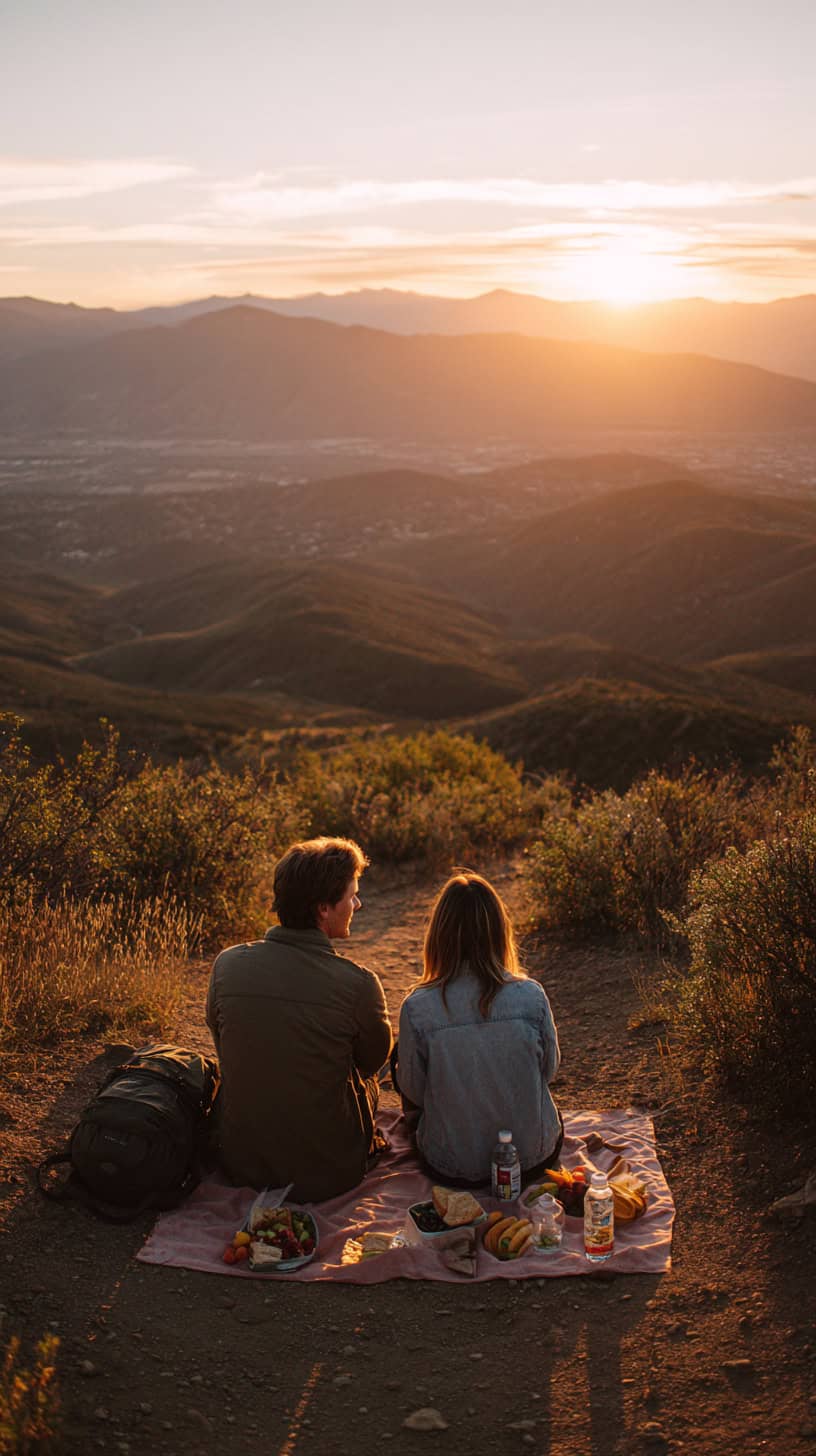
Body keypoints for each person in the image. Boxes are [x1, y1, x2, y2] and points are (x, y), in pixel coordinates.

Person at [206, 836, 392, 1202]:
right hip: (331, 1174)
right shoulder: (359, 983)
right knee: (372, 1072)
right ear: (323, 909)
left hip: (242, 1165)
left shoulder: (226, 965)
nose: (357, 904)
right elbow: (370, 1063)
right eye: (352, 896)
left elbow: (222, 1043)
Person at [397, 871, 561, 1186]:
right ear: (499, 931)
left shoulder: (417, 1008)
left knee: (402, 1060)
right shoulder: (531, 996)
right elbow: (549, 1070)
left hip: (452, 1166)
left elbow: (414, 1090)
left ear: (439, 936)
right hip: (532, 1159)